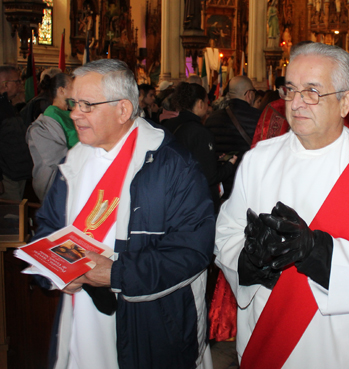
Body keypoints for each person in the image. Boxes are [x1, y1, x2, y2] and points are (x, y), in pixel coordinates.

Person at [215, 42, 349, 368]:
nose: (295, 103)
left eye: (311, 91)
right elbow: (227, 231)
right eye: (290, 89)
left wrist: (318, 253)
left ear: (345, 102)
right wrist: (247, 258)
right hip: (266, 336)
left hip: (338, 347)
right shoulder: (259, 160)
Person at [34, 59, 215, 369]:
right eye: (74, 103)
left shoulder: (173, 166)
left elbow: (192, 250)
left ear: (122, 110)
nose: (75, 113)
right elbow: (48, 228)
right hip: (80, 325)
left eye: (87, 105)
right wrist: (54, 273)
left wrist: (116, 274)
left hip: (149, 331)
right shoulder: (73, 161)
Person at [163, 82, 237, 213]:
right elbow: (210, 176)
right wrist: (230, 165)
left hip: (172, 197)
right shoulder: (201, 132)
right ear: (200, 103)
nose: (208, 107)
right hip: (196, 204)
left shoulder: (168, 125)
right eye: (207, 102)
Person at [205, 75, 260, 199]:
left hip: (222, 183)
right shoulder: (259, 118)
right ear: (249, 94)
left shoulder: (212, 118)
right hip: (248, 183)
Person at [26, 73, 77, 202]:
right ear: (61, 90)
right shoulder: (50, 118)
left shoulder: (71, 114)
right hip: (61, 184)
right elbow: (57, 157)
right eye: (73, 87)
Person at [0, 66, 32, 201]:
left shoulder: (8, 104)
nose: (21, 84)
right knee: (12, 216)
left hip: (19, 171)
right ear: (5, 85)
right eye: (17, 81)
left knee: (20, 211)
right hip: (7, 175)